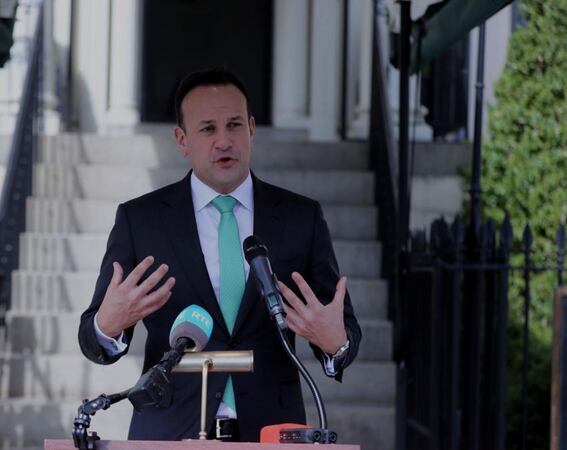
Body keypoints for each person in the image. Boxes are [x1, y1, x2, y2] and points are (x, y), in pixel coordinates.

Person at [78, 67, 361, 443]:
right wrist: (108, 325)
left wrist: (334, 342)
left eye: (234, 125)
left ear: (252, 129)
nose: (224, 141)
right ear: (182, 139)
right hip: (170, 431)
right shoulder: (140, 220)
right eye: (208, 129)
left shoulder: (300, 217)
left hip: (271, 431)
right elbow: (93, 338)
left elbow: (341, 334)